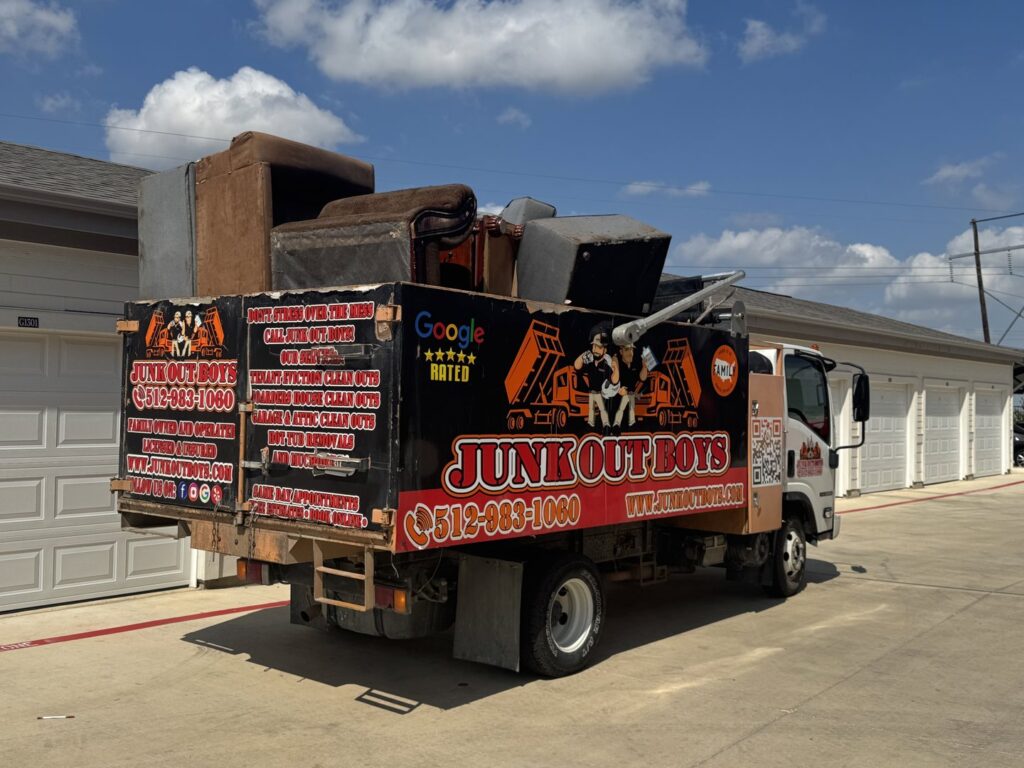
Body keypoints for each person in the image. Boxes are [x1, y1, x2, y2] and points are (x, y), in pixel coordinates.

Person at [574, 330, 618, 431]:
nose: (595, 350)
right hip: (591, 392)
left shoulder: (607, 363)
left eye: (599, 347)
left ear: (605, 350)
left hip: (601, 393)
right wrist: (583, 356)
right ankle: (591, 423)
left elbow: (615, 380)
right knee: (591, 409)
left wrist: (615, 366)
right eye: (594, 346)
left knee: (602, 408)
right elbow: (576, 366)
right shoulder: (590, 360)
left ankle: (605, 423)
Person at [614, 342, 648, 429]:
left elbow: (642, 378)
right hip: (618, 398)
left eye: (631, 349)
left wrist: (644, 367)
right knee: (621, 409)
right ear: (621, 352)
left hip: (631, 394)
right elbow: (610, 382)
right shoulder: (617, 364)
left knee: (631, 411)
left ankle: (631, 422)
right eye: (626, 350)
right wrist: (618, 390)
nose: (630, 353)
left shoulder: (635, 364)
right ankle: (617, 423)